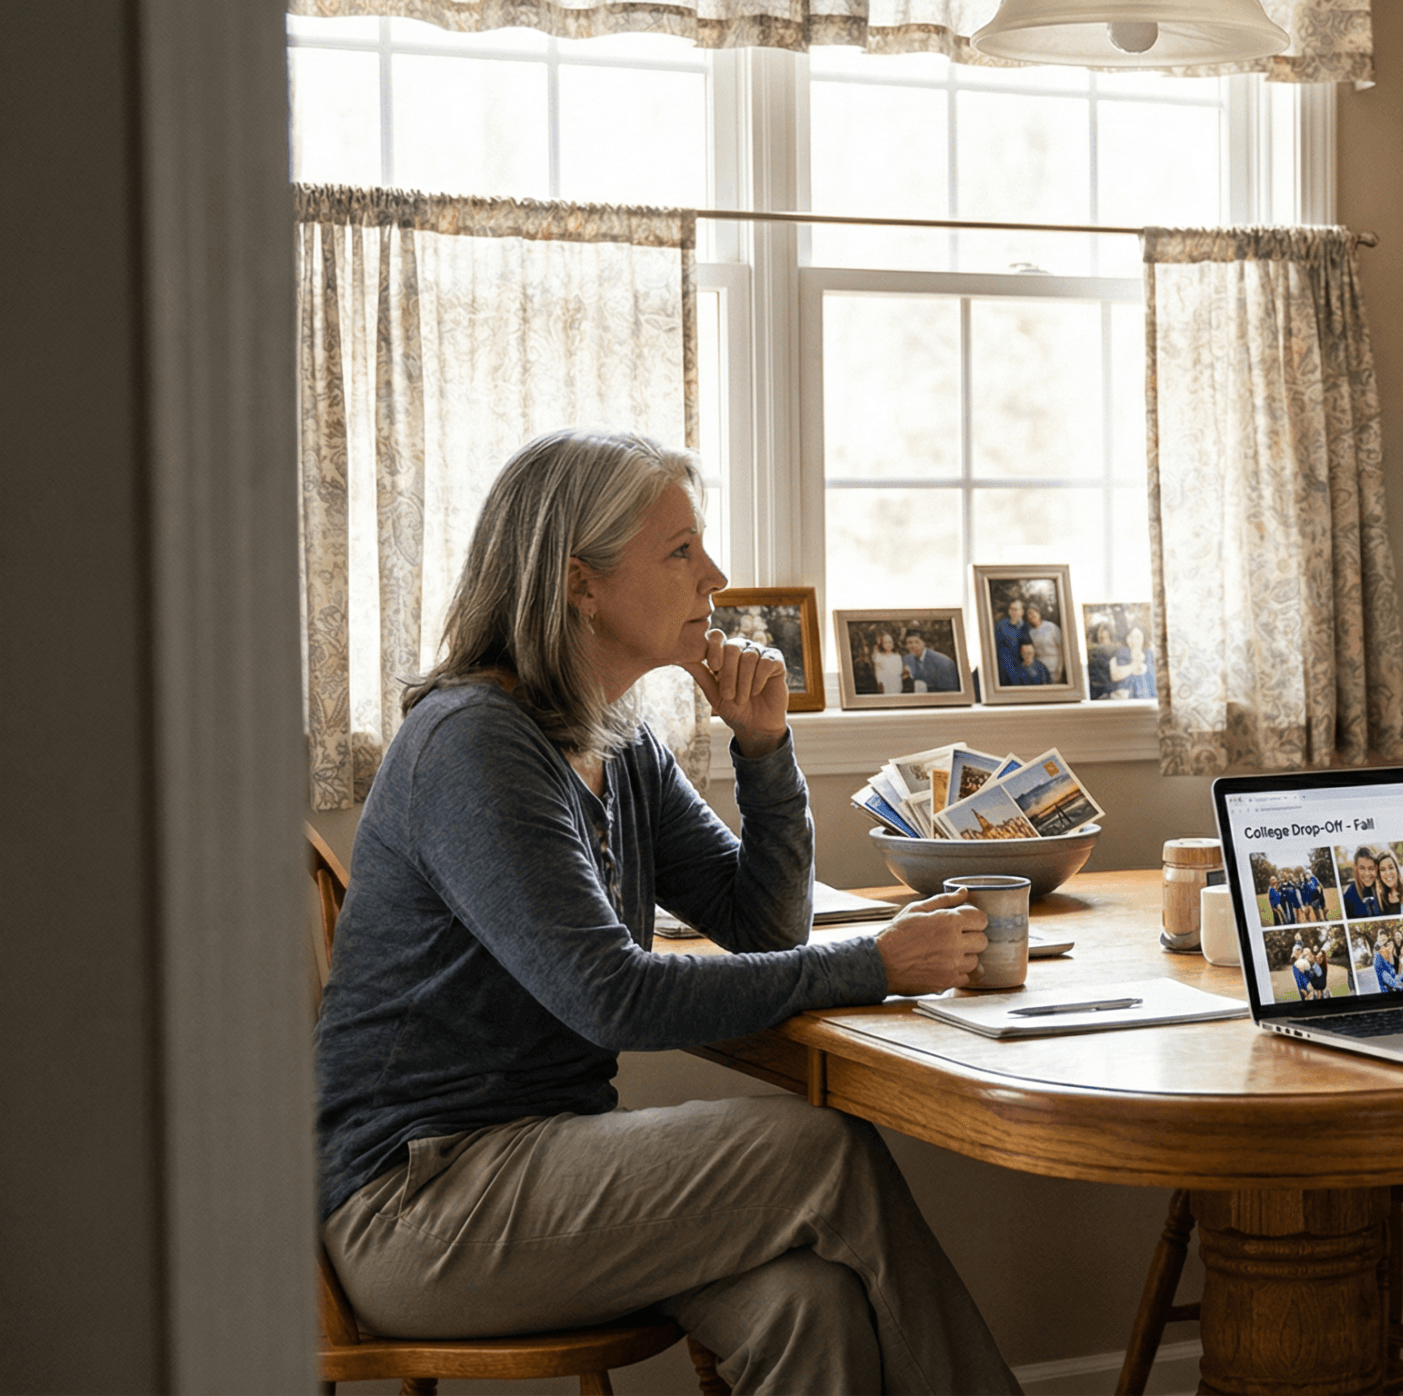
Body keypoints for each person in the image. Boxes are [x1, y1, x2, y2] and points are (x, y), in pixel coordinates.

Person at [313, 428, 1016, 1395]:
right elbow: (612, 998)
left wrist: (764, 749)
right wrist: (876, 965)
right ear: (580, 583)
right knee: (825, 1151)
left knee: (810, 1305)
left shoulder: (620, 739)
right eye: (681, 551)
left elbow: (761, 926)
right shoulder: (476, 744)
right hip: (423, 1203)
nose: (715, 577)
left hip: (553, 1163)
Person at [1339, 847, 1386, 920]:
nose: (1367, 873)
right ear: (1355, 868)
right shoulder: (1348, 898)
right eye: (1362, 868)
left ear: (1376, 868)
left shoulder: (1382, 891)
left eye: (1371, 868)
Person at [1022, 602, 1064, 680]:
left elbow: (1062, 648)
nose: (1031, 615)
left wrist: (1060, 669)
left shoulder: (1051, 627)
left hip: (1055, 670)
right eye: (1029, 614)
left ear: (1039, 614)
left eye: (1033, 612)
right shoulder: (1030, 633)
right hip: (1040, 672)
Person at [1086, 621, 1125, 700]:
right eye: (1098, 631)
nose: (1099, 634)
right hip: (1098, 692)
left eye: (1101, 630)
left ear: (1107, 633)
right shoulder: (1093, 651)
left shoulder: (1117, 650)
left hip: (1114, 691)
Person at [993, 598, 1027, 685]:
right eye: (1011, 609)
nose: (1013, 612)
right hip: (1008, 673)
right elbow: (1000, 652)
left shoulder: (1027, 627)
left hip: (1026, 672)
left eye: (1016, 609)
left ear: (1022, 611)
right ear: (1008, 611)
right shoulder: (1001, 626)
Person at [868, 628, 906, 696]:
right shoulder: (880, 656)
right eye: (885, 642)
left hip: (895, 683)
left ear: (893, 643)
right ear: (882, 644)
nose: (888, 644)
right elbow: (875, 660)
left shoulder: (897, 656)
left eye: (890, 642)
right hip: (884, 684)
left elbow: (899, 671)